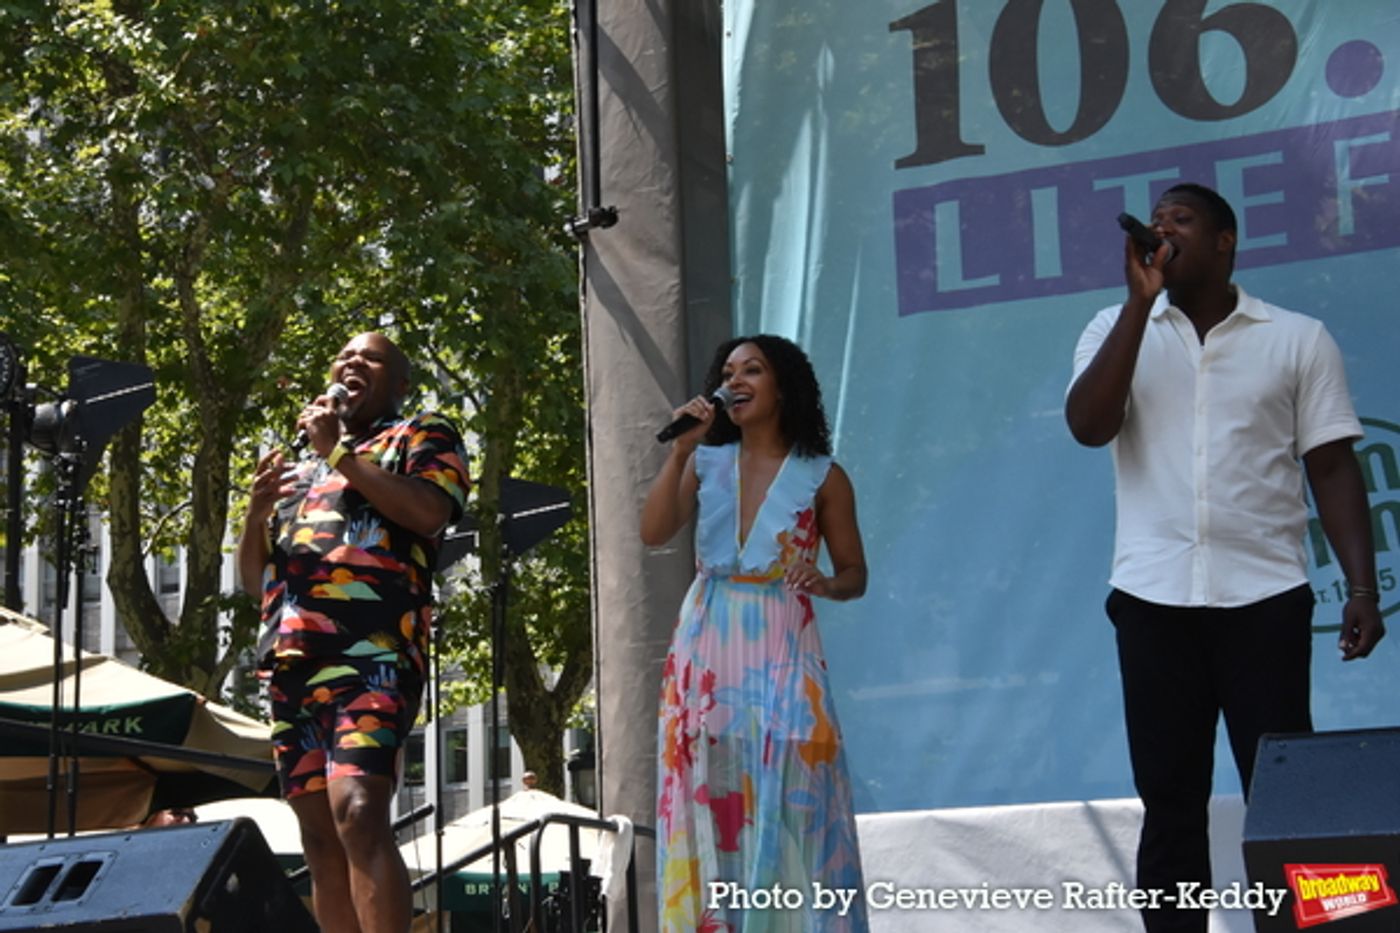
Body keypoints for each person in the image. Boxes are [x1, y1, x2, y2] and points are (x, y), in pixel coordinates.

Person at [1065, 184, 1385, 932]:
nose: (1162, 228)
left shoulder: (1296, 337)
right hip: (1152, 601)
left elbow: (1333, 467)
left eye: (1181, 218)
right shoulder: (1115, 327)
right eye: (1156, 220)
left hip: (1265, 599)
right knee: (1170, 801)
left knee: (1292, 800)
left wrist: (1362, 587)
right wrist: (1140, 306)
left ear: (1224, 241)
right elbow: (1088, 425)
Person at [238, 332, 469, 933]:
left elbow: (428, 512)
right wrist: (257, 514)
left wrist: (340, 454)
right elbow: (255, 581)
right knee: (319, 836)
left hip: (374, 653)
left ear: (399, 384)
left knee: (360, 811)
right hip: (291, 660)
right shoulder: (304, 460)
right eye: (343, 357)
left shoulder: (421, 433)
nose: (350, 364)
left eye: (370, 359)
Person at [641, 335, 869, 932]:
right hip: (708, 648)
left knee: (797, 803)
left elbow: (855, 574)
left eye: (753, 370)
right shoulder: (705, 462)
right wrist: (678, 453)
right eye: (728, 371)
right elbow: (653, 530)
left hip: (784, 647)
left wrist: (824, 582)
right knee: (715, 808)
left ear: (783, 385)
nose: (735, 380)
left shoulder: (823, 476)